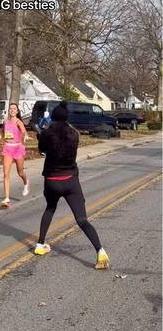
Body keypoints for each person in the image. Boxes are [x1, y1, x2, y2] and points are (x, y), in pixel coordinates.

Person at [34, 101, 110, 269]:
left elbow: (42, 150)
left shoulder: (47, 133)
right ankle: (100, 251)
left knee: (50, 208)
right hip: (70, 179)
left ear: (53, 117)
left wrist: (41, 135)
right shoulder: (74, 134)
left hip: (52, 181)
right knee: (82, 219)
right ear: (67, 117)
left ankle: (40, 244)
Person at [0, 103, 30, 207]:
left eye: (14, 108)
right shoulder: (5, 122)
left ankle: (26, 182)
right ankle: (7, 199)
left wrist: (25, 136)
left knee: (20, 172)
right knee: (6, 174)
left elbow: (24, 132)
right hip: (8, 148)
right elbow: (2, 135)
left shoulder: (18, 122)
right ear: (9, 110)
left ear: (17, 111)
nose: (12, 110)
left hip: (17, 148)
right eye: (10, 108)